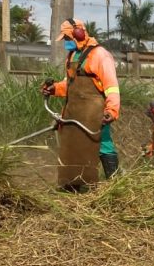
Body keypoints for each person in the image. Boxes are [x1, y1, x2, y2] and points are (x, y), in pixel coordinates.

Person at [42, 18, 120, 188]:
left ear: (79, 33)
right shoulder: (72, 55)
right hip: (74, 110)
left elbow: (111, 86)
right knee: (72, 145)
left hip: (94, 111)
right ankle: (74, 184)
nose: (66, 43)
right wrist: (54, 89)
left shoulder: (100, 55)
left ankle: (115, 183)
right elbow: (70, 85)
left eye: (68, 38)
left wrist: (112, 110)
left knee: (102, 144)